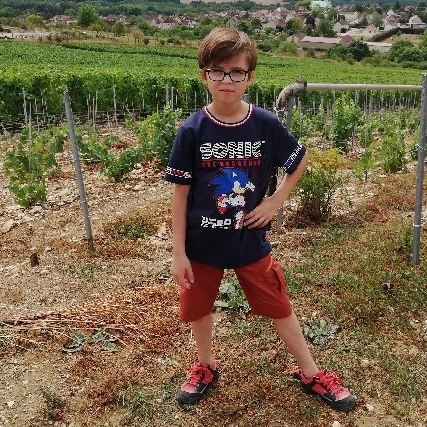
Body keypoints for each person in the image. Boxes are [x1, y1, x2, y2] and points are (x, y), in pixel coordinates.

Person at [164, 27, 356, 412]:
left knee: (279, 304)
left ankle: (311, 372)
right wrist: (178, 252)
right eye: (218, 71)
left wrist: (275, 201)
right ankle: (205, 365)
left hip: (250, 242)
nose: (227, 80)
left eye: (237, 72)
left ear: (250, 76)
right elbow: (180, 194)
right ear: (204, 75)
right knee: (199, 308)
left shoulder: (264, 124)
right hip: (202, 245)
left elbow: (299, 159)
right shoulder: (191, 131)